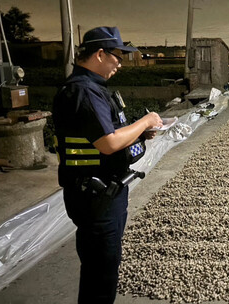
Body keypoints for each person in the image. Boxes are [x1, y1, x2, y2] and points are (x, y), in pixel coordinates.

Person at [53, 26, 162, 303]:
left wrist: (139, 133)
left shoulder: (91, 88)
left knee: (101, 270)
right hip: (96, 198)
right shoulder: (84, 91)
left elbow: (107, 136)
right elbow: (109, 143)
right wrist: (145, 122)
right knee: (101, 277)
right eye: (117, 56)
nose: (120, 63)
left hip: (102, 194)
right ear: (100, 54)